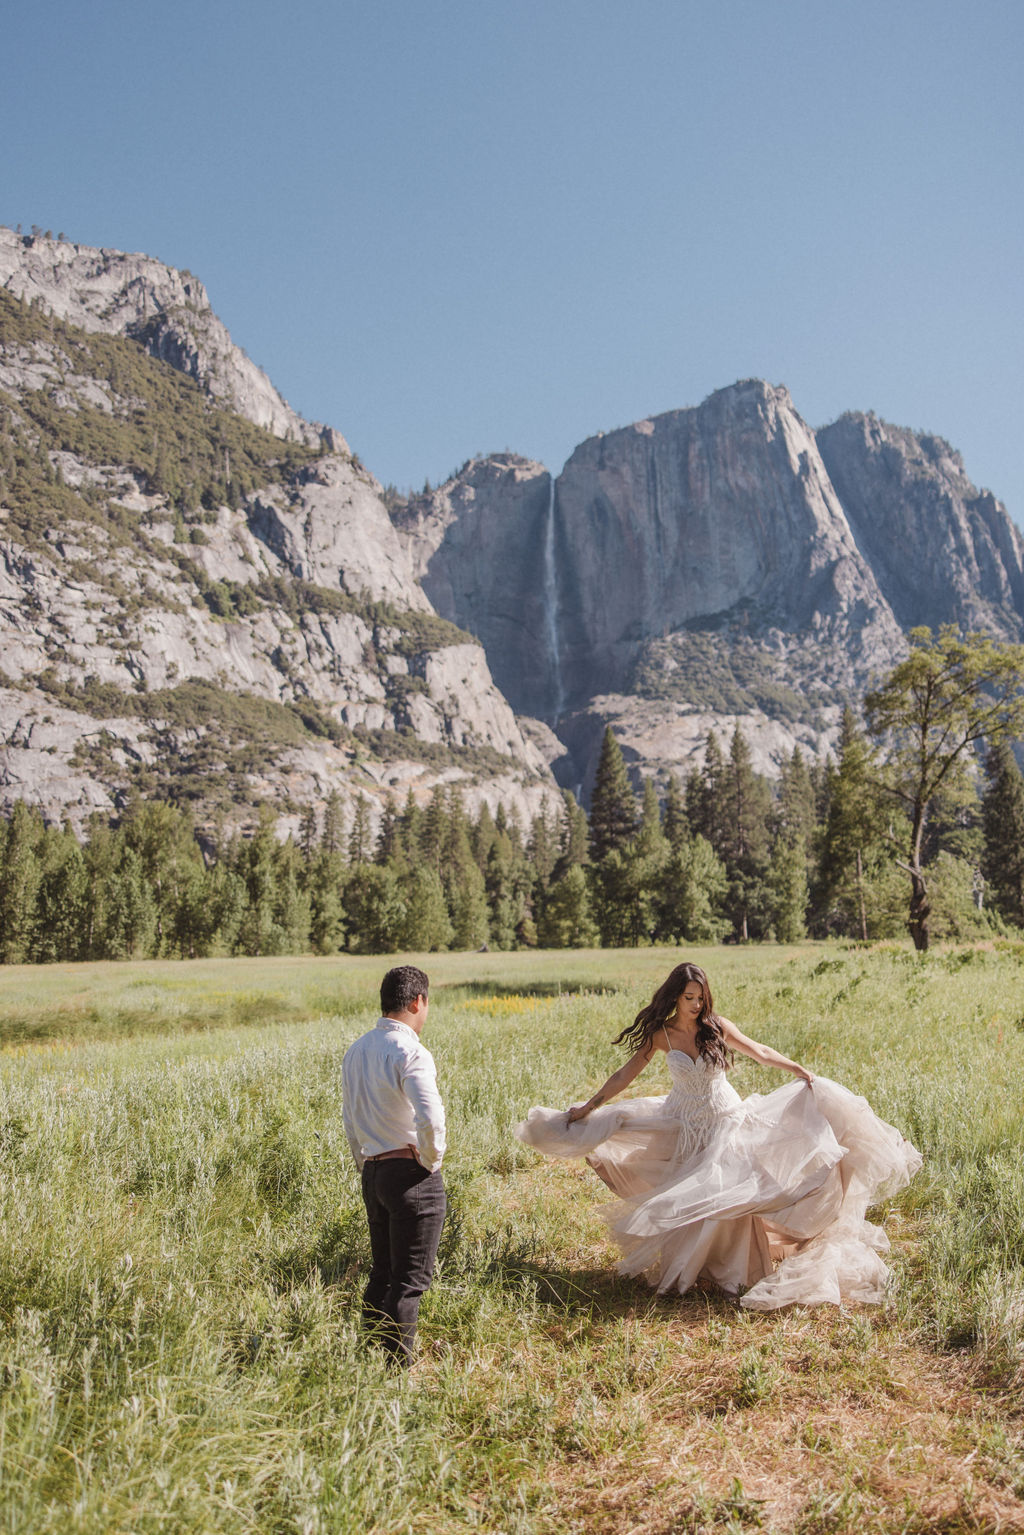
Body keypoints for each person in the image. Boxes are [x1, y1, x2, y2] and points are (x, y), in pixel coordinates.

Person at [515, 962, 922, 1310]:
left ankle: (732, 1273)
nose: (696, 1004)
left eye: (700, 997)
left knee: (724, 1195)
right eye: (689, 997)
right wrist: (588, 1107)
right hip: (681, 1121)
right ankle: (703, 1269)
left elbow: (758, 1051)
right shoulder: (662, 1034)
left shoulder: (716, 1027)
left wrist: (798, 1070)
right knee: (662, 1169)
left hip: (726, 1119)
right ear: (675, 996)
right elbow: (625, 1074)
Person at [342, 964, 447, 1367]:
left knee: (382, 1272)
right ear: (418, 1001)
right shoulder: (410, 1051)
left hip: (373, 1171)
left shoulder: (357, 1049)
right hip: (410, 1174)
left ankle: (366, 1357)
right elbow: (431, 1119)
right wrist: (429, 1162)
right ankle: (397, 1372)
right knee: (409, 1283)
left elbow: (351, 1119)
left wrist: (364, 1165)